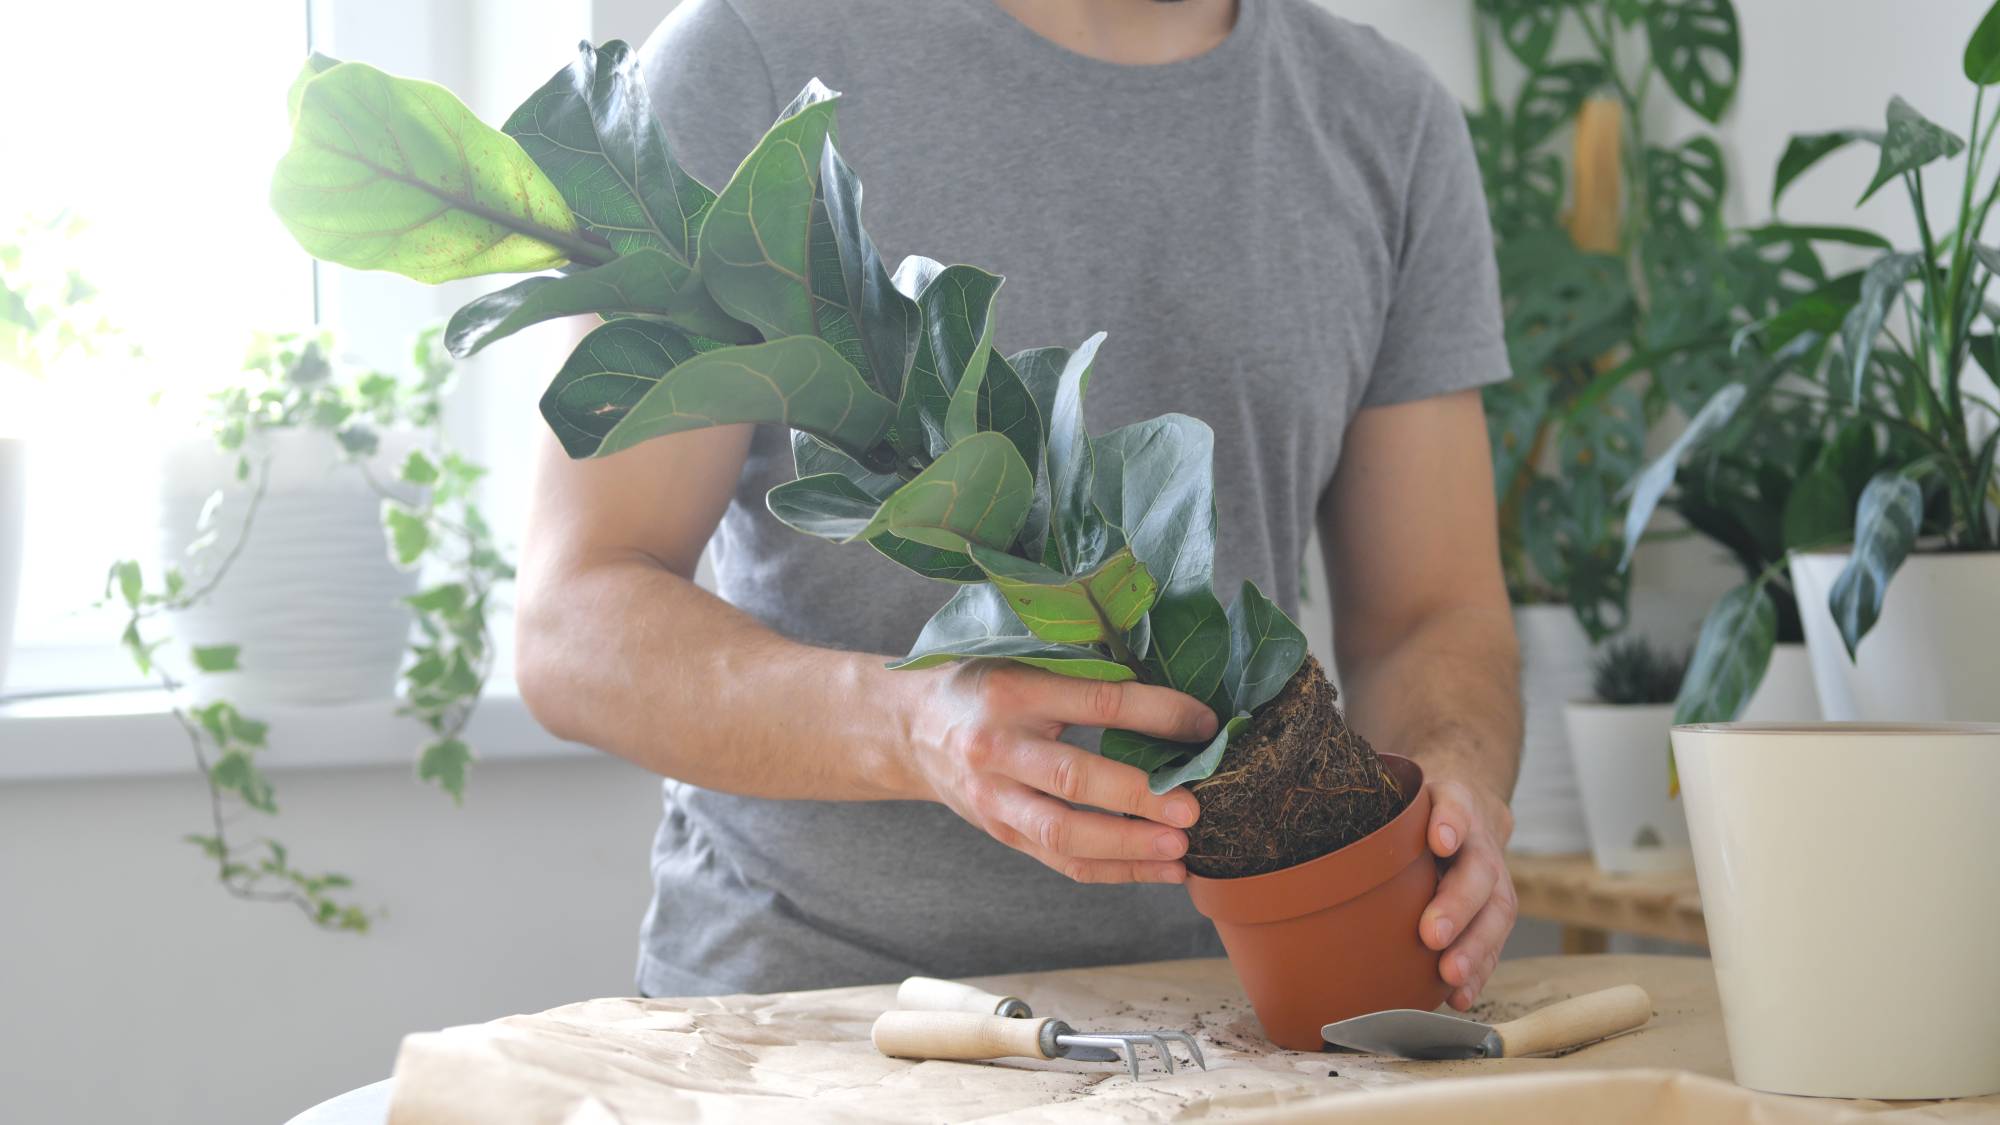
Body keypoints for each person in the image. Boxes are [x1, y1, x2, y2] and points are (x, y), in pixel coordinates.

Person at [517, 0, 1524, 1013]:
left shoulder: (1386, 120)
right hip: (805, 1019)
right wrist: (906, 727)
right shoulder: (746, 54)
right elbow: (573, 620)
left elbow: (1429, 615)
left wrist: (1456, 779)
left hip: (1227, 1016)